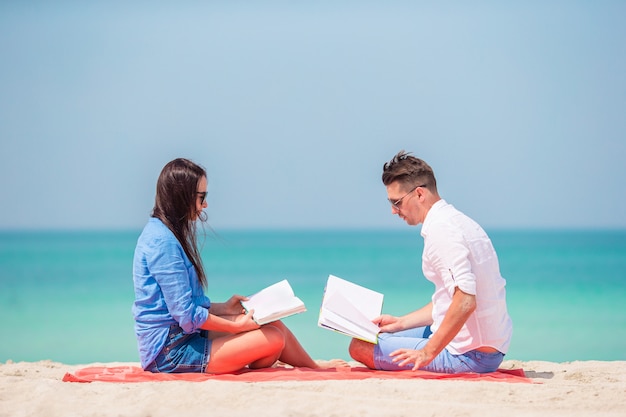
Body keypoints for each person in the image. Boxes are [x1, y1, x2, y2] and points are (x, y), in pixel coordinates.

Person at [132, 158, 337, 374]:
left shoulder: (167, 234)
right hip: (169, 352)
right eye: (202, 197)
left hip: (186, 335)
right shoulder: (162, 242)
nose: (205, 205)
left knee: (272, 325)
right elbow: (185, 315)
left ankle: (314, 368)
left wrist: (224, 308)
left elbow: (184, 306)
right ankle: (261, 357)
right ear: (182, 196)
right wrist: (236, 327)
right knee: (274, 339)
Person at [349, 150, 513, 374]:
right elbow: (450, 299)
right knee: (377, 334)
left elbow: (465, 300)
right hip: (490, 348)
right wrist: (401, 322)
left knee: (359, 346)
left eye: (397, 202)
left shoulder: (441, 232)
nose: (393, 211)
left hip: (470, 355)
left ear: (419, 194)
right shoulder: (458, 221)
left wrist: (427, 353)